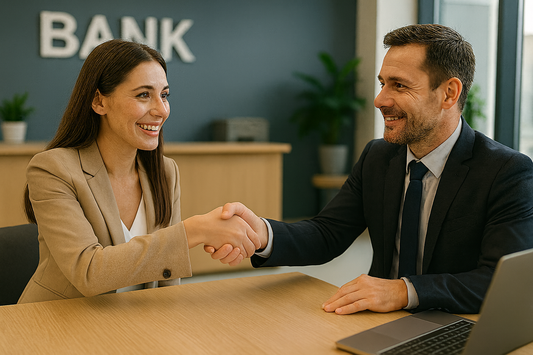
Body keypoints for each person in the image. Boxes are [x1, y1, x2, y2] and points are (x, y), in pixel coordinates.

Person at [208, 24, 533, 314]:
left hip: (454, 324)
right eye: (382, 83)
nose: (379, 100)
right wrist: (262, 234)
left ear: (449, 93)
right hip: (377, 325)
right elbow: (327, 234)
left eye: (399, 86)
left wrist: (405, 291)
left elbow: (499, 281)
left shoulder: (507, 172)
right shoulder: (379, 157)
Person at [19, 39, 259, 304]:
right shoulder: (53, 169)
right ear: (99, 101)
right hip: (54, 325)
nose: (161, 110)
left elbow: (168, 281)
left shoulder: (166, 171)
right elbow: (88, 272)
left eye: (164, 95)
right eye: (144, 95)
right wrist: (194, 231)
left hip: (133, 325)